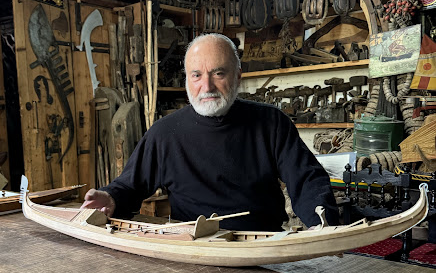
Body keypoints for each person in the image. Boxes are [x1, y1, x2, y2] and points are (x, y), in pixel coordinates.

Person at [82, 33, 339, 231]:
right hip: (194, 248)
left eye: (218, 73)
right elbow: (130, 185)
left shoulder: (272, 122)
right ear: (187, 80)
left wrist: (321, 220)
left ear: (237, 76)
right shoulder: (165, 133)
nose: (207, 86)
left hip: (263, 245)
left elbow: (307, 179)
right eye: (196, 75)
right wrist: (111, 198)